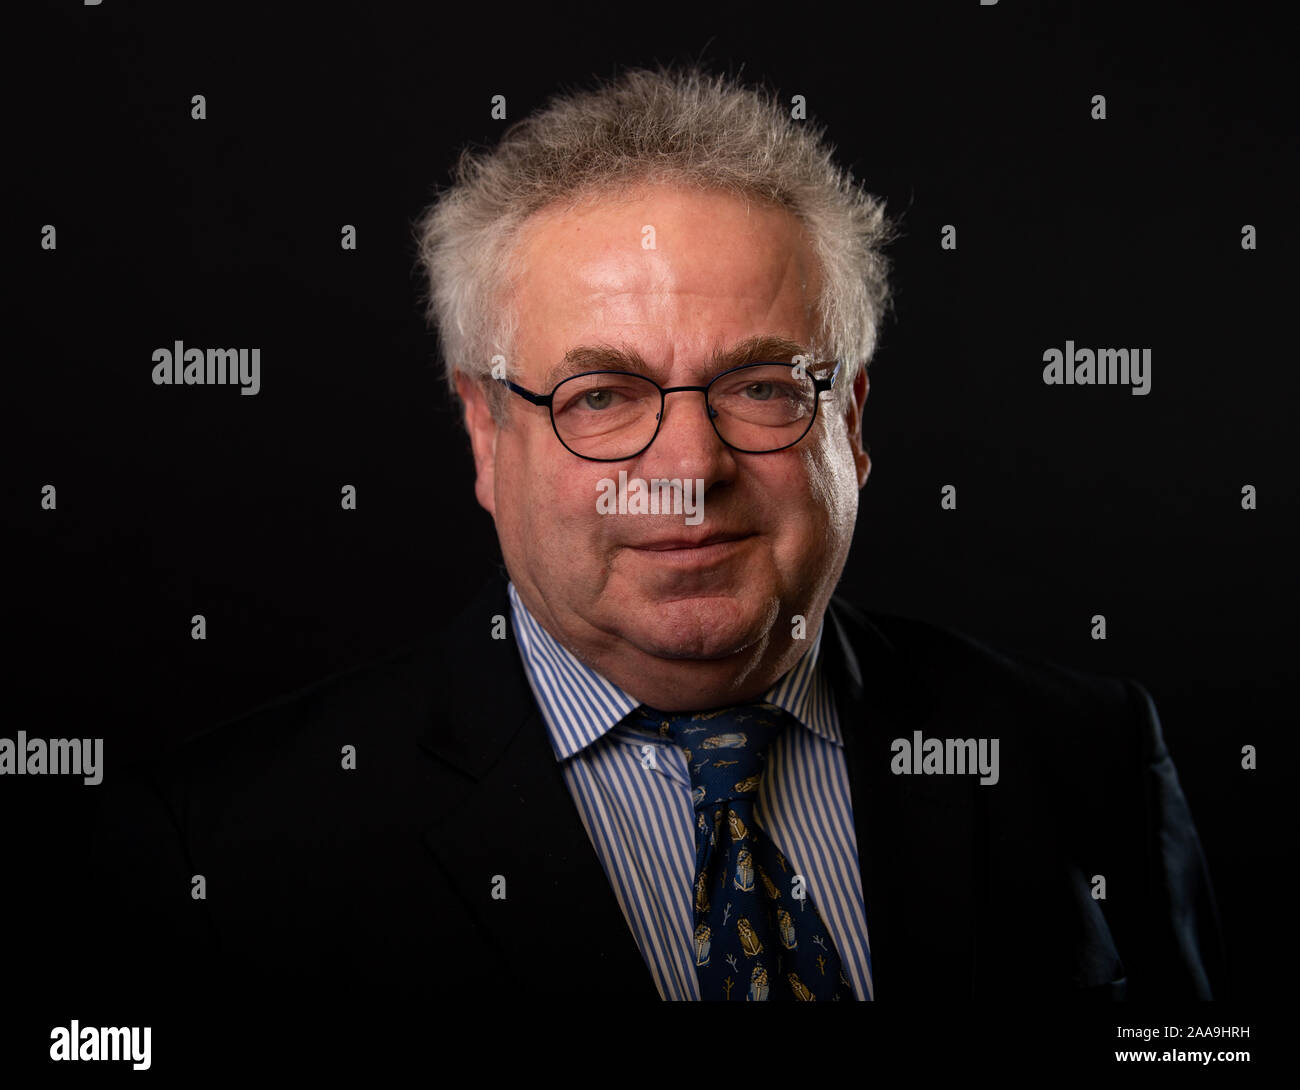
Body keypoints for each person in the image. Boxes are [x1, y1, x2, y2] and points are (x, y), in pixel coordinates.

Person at [92, 65, 1222, 1004]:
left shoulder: (1083, 751)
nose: (688, 473)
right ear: (486, 435)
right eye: (602, 397)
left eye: (764, 385)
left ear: (852, 423)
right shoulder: (220, 850)